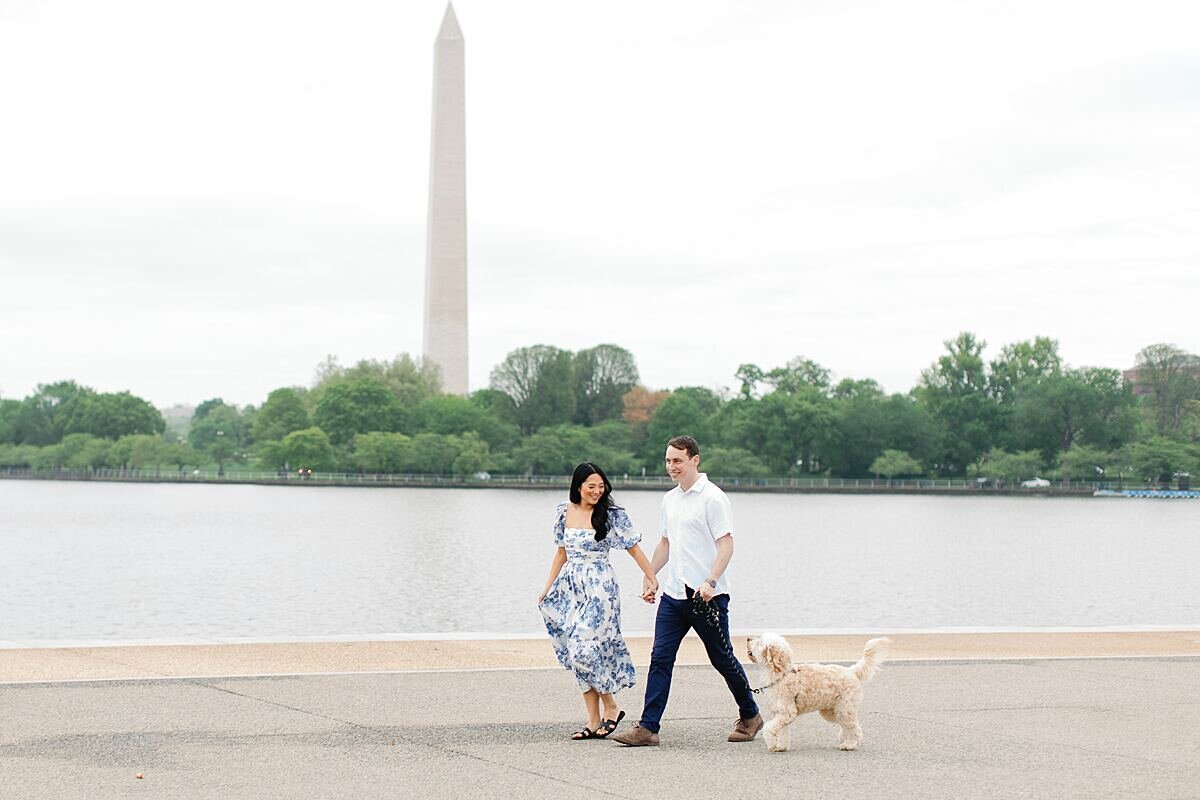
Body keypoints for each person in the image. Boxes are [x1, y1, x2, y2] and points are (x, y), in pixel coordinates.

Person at [613, 435, 763, 746]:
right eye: (668, 461)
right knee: (660, 658)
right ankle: (648, 728)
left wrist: (711, 581)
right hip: (673, 596)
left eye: (677, 460)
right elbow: (665, 543)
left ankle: (751, 714)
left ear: (695, 459)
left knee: (721, 658)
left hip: (706, 595)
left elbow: (726, 544)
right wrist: (649, 574)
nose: (671, 466)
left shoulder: (713, 498)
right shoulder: (670, 499)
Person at [538, 462, 659, 740]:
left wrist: (651, 577)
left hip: (600, 587)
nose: (596, 491)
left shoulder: (611, 515)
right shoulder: (564, 512)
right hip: (571, 586)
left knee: (585, 648)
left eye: (600, 486)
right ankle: (593, 721)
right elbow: (561, 553)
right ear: (578, 486)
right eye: (591, 486)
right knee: (574, 651)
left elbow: (633, 549)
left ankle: (612, 707)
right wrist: (547, 587)